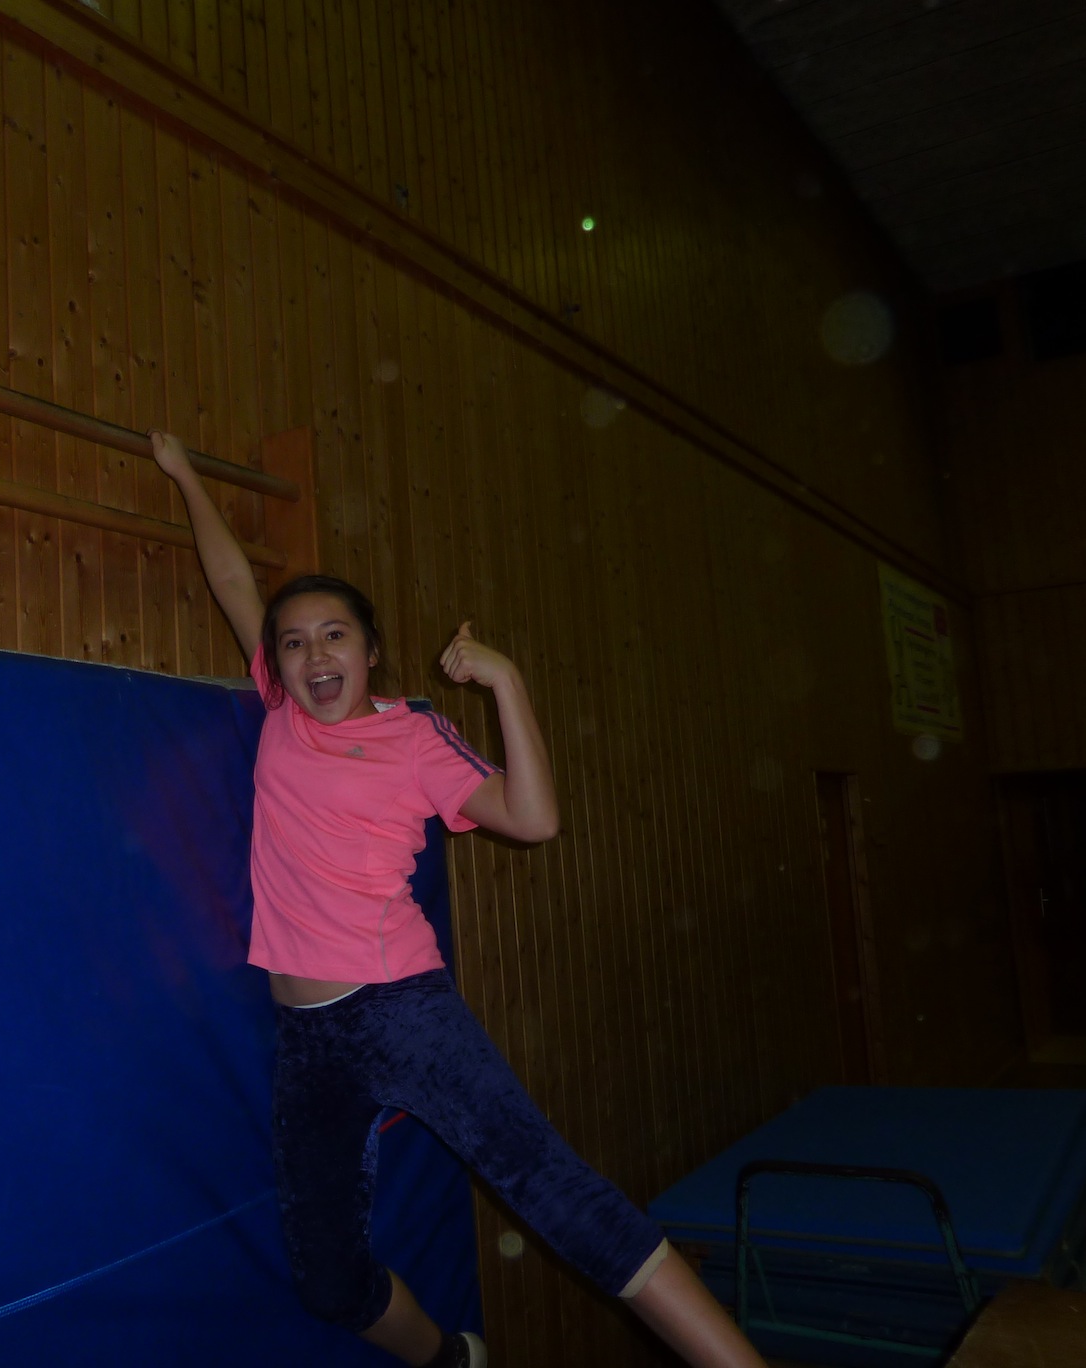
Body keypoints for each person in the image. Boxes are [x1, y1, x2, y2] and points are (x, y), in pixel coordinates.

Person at [149, 431, 767, 1368]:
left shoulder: (416, 739)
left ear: (371, 651)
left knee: (553, 1192)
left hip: (402, 1011)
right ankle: (450, 1360)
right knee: (328, 1281)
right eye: (295, 642)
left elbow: (533, 818)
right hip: (309, 1041)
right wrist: (185, 475)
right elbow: (234, 580)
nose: (314, 654)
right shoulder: (279, 712)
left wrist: (507, 681)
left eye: (335, 635)